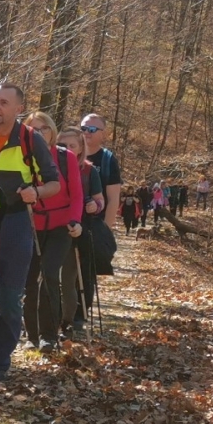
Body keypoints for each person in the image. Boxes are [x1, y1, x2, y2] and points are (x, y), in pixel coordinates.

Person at [0, 83, 60, 380]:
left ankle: (0, 361)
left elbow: (54, 182)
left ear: (18, 109)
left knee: (9, 298)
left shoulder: (29, 139)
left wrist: (35, 192)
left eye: (3, 102)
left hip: (15, 223)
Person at [22, 112, 82, 352]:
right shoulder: (23, 157)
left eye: (43, 129)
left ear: (52, 131)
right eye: (32, 129)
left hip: (60, 226)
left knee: (48, 274)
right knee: (30, 280)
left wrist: (76, 221)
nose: (38, 134)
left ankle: (49, 336)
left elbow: (77, 194)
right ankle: (31, 335)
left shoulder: (65, 158)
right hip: (30, 226)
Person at [76, 115, 120, 335]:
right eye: (84, 127)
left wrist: (106, 229)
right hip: (68, 221)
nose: (88, 132)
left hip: (94, 224)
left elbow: (113, 198)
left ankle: (80, 316)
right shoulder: (69, 153)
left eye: (93, 128)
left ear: (104, 133)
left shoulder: (108, 159)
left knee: (87, 271)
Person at [59, 127, 104, 339]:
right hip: (57, 225)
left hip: (84, 226)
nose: (66, 149)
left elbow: (100, 199)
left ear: (80, 148)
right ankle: (58, 315)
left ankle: (79, 316)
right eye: (62, 145)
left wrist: (94, 206)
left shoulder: (89, 170)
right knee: (59, 274)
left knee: (82, 273)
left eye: (71, 146)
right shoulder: (51, 166)